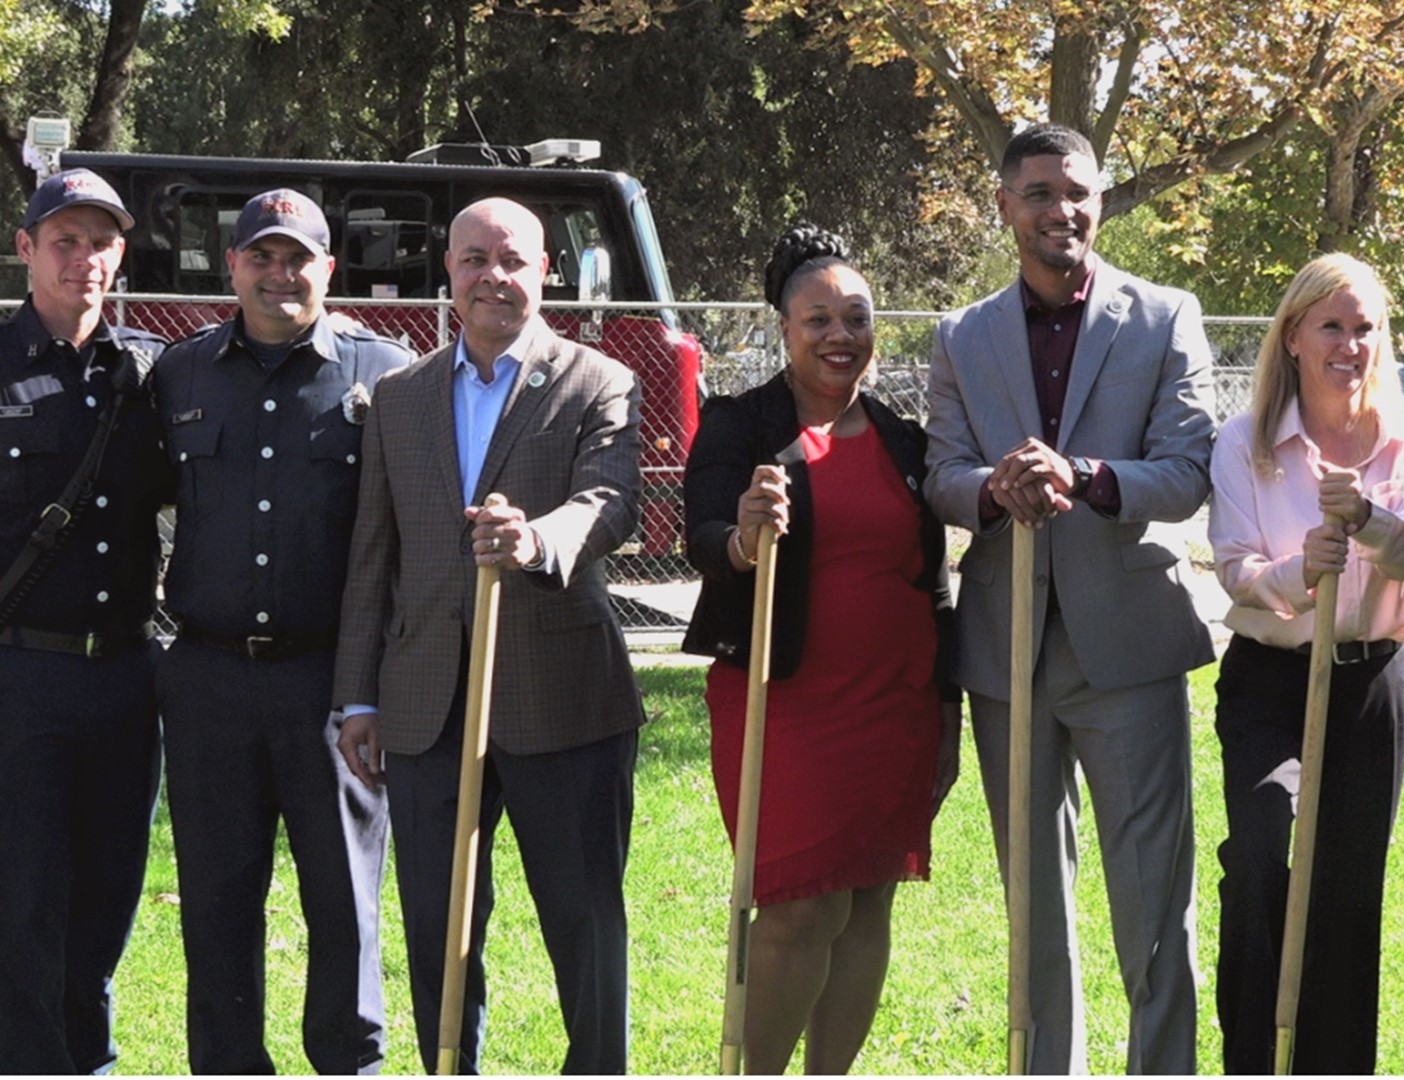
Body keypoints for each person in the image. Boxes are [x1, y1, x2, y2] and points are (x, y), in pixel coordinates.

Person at [924, 123, 1217, 1074]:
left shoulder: (1165, 315)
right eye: (1042, 193)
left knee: (1152, 903)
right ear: (1006, 206)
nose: (1065, 210)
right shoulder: (963, 335)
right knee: (1033, 908)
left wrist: (1086, 475)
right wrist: (989, 489)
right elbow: (941, 471)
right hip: (1006, 649)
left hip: (1126, 646)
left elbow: (1185, 473)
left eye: (1080, 192)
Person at [332, 196, 646, 1074]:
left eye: (512, 260)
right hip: (428, 707)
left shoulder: (598, 381)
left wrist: (536, 539)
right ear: (449, 271)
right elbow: (373, 557)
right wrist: (360, 696)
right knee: (439, 928)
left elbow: (610, 501)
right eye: (474, 260)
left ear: (544, 270)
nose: (492, 278)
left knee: (584, 924)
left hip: (563, 701)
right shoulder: (399, 396)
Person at [681, 223, 964, 1073]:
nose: (841, 335)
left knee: (869, 900)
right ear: (784, 329)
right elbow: (702, 532)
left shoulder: (903, 441)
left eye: (857, 317)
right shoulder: (741, 426)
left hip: (897, 704)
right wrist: (745, 539)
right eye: (818, 319)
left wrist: (945, 713)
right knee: (801, 907)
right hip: (785, 699)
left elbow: (934, 580)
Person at [151, 188, 408, 1074]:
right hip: (209, 682)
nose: (279, 273)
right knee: (218, 903)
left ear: (329, 269)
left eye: (298, 257)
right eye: (260, 256)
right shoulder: (179, 374)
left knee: (344, 903)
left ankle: (349, 1065)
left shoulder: (387, 373)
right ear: (233, 267)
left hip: (333, 686)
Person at [1206, 253, 1404, 1074]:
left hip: (1372, 680)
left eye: (1365, 327)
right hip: (1272, 679)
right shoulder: (1247, 443)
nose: (1350, 343)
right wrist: (1300, 570)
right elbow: (1234, 568)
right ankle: (1253, 1055)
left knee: (1347, 888)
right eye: (1332, 326)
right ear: (1295, 335)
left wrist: (1368, 518)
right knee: (1265, 850)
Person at [0, 168, 170, 1073]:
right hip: (21, 677)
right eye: (63, 239)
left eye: (100, 241)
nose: (83, 258)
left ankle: (89, 1061)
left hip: (126, 678)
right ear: (26, 249)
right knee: (23, 904)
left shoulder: (150, 374)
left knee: (108, 897)